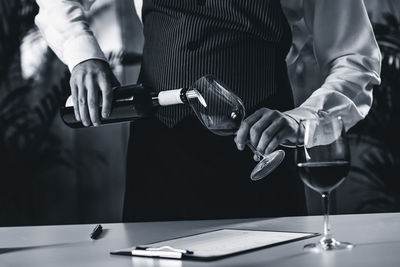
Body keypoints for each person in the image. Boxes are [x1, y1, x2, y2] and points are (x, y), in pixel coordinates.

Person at [35, 0, 381, 221]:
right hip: (159, 153)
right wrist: (83, 55)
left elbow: (356, 61)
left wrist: (300, 121)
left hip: (262, 154)